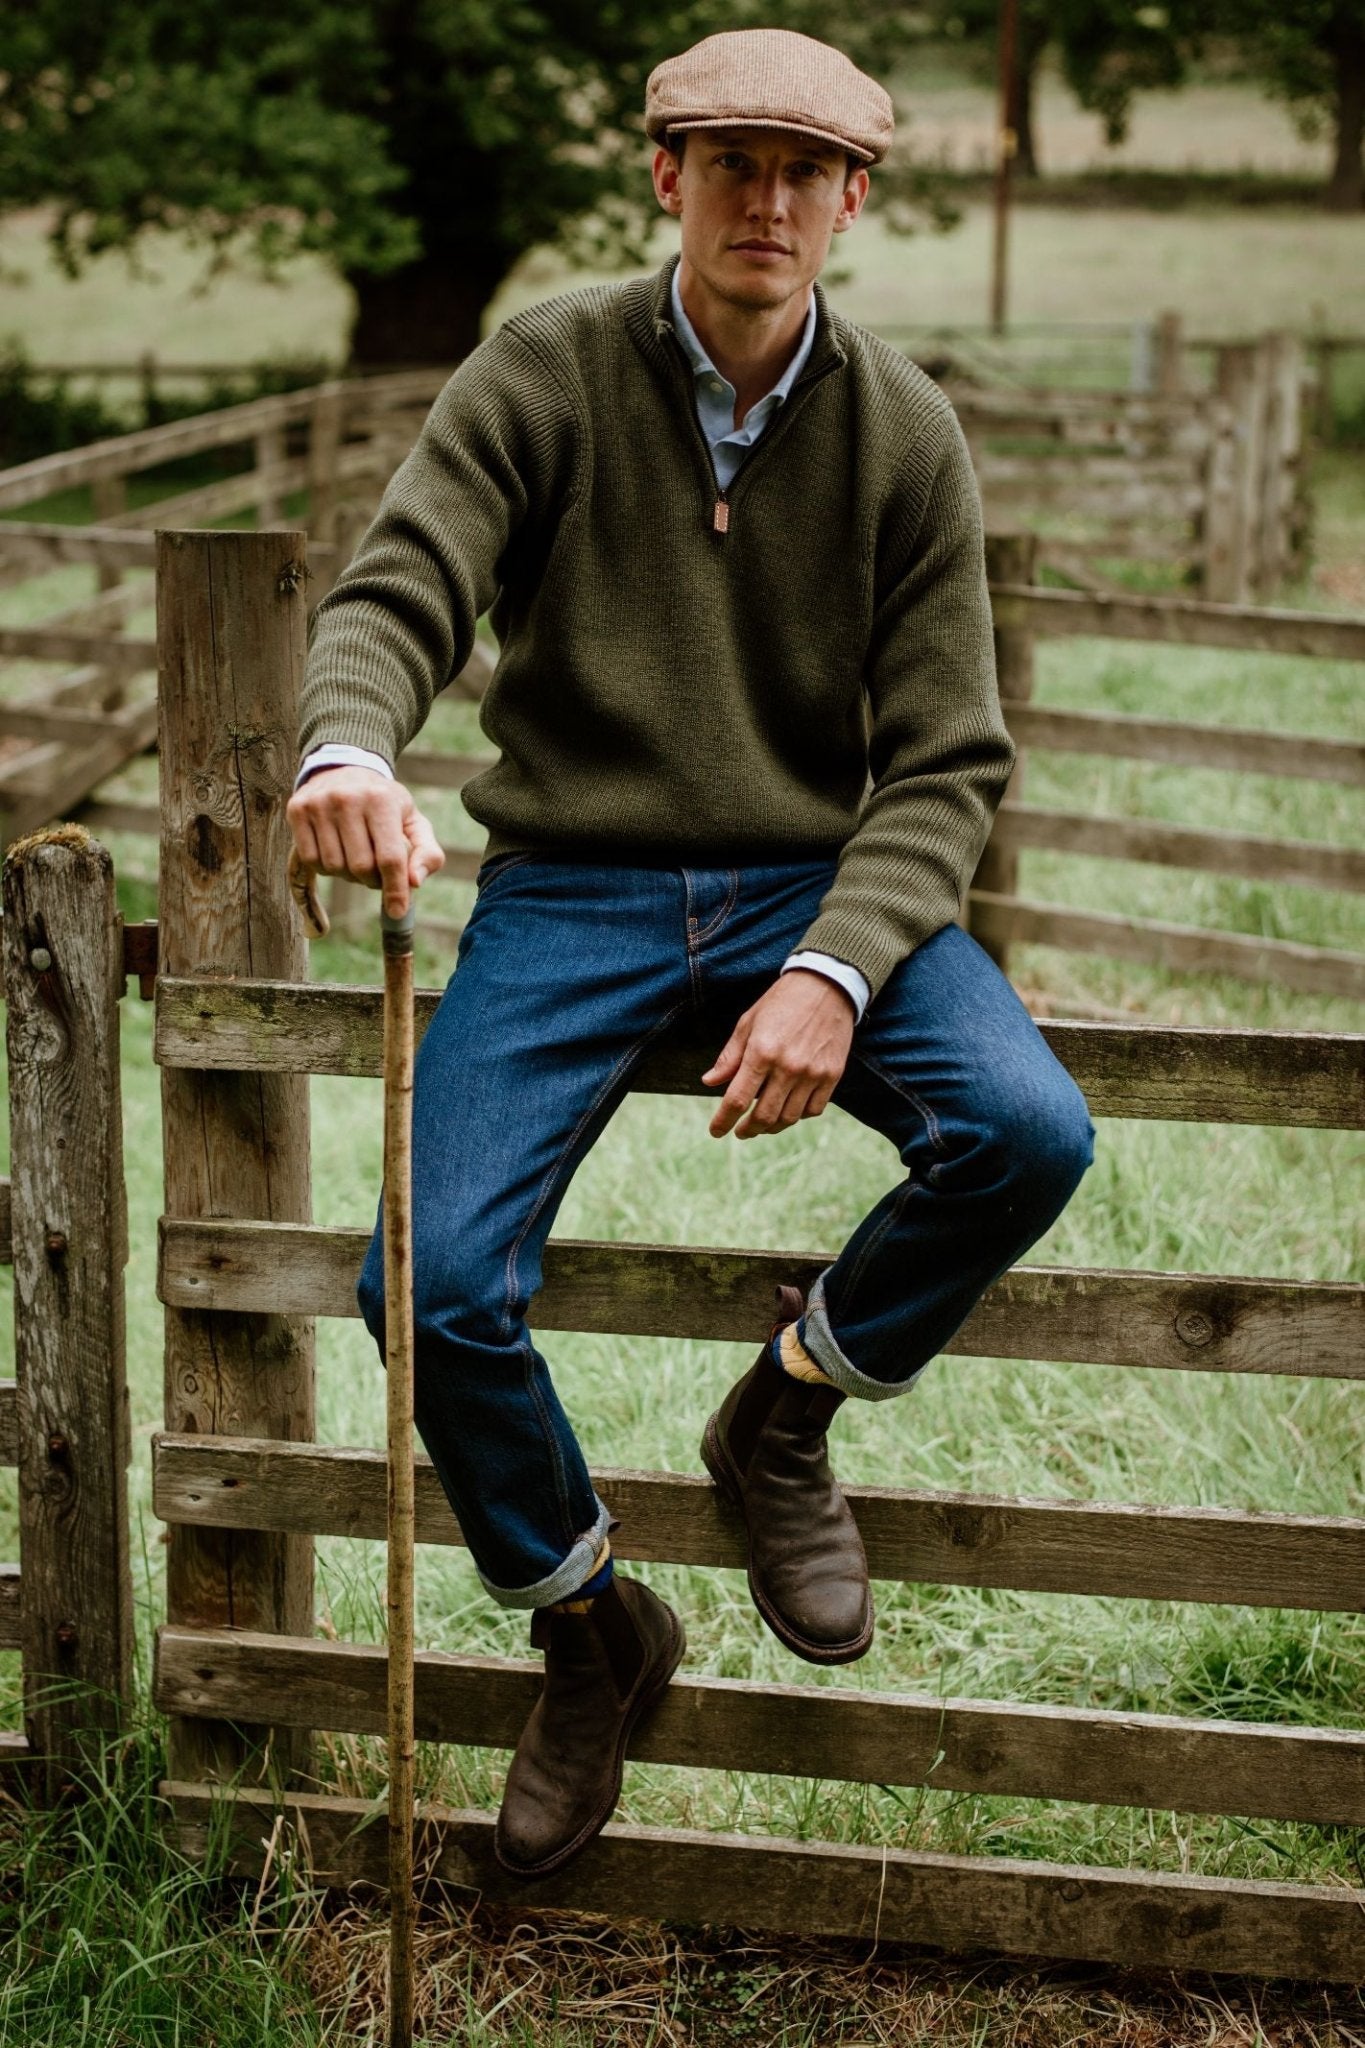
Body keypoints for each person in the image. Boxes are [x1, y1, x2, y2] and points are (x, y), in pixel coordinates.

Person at [287, 26, 1095, 1882]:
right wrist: (345, 752)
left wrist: (835, 969)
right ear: (666, 175)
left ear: (851, 200)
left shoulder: (904, 432)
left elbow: (947, 762)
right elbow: (397, 590)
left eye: (805, 172)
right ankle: (590, 1624)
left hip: (811, 880)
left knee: (1025, 1131)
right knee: (428, 1282)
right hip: (571, 884)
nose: (766, 201)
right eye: (731, 162)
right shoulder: (542, 370)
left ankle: (781, 1418)